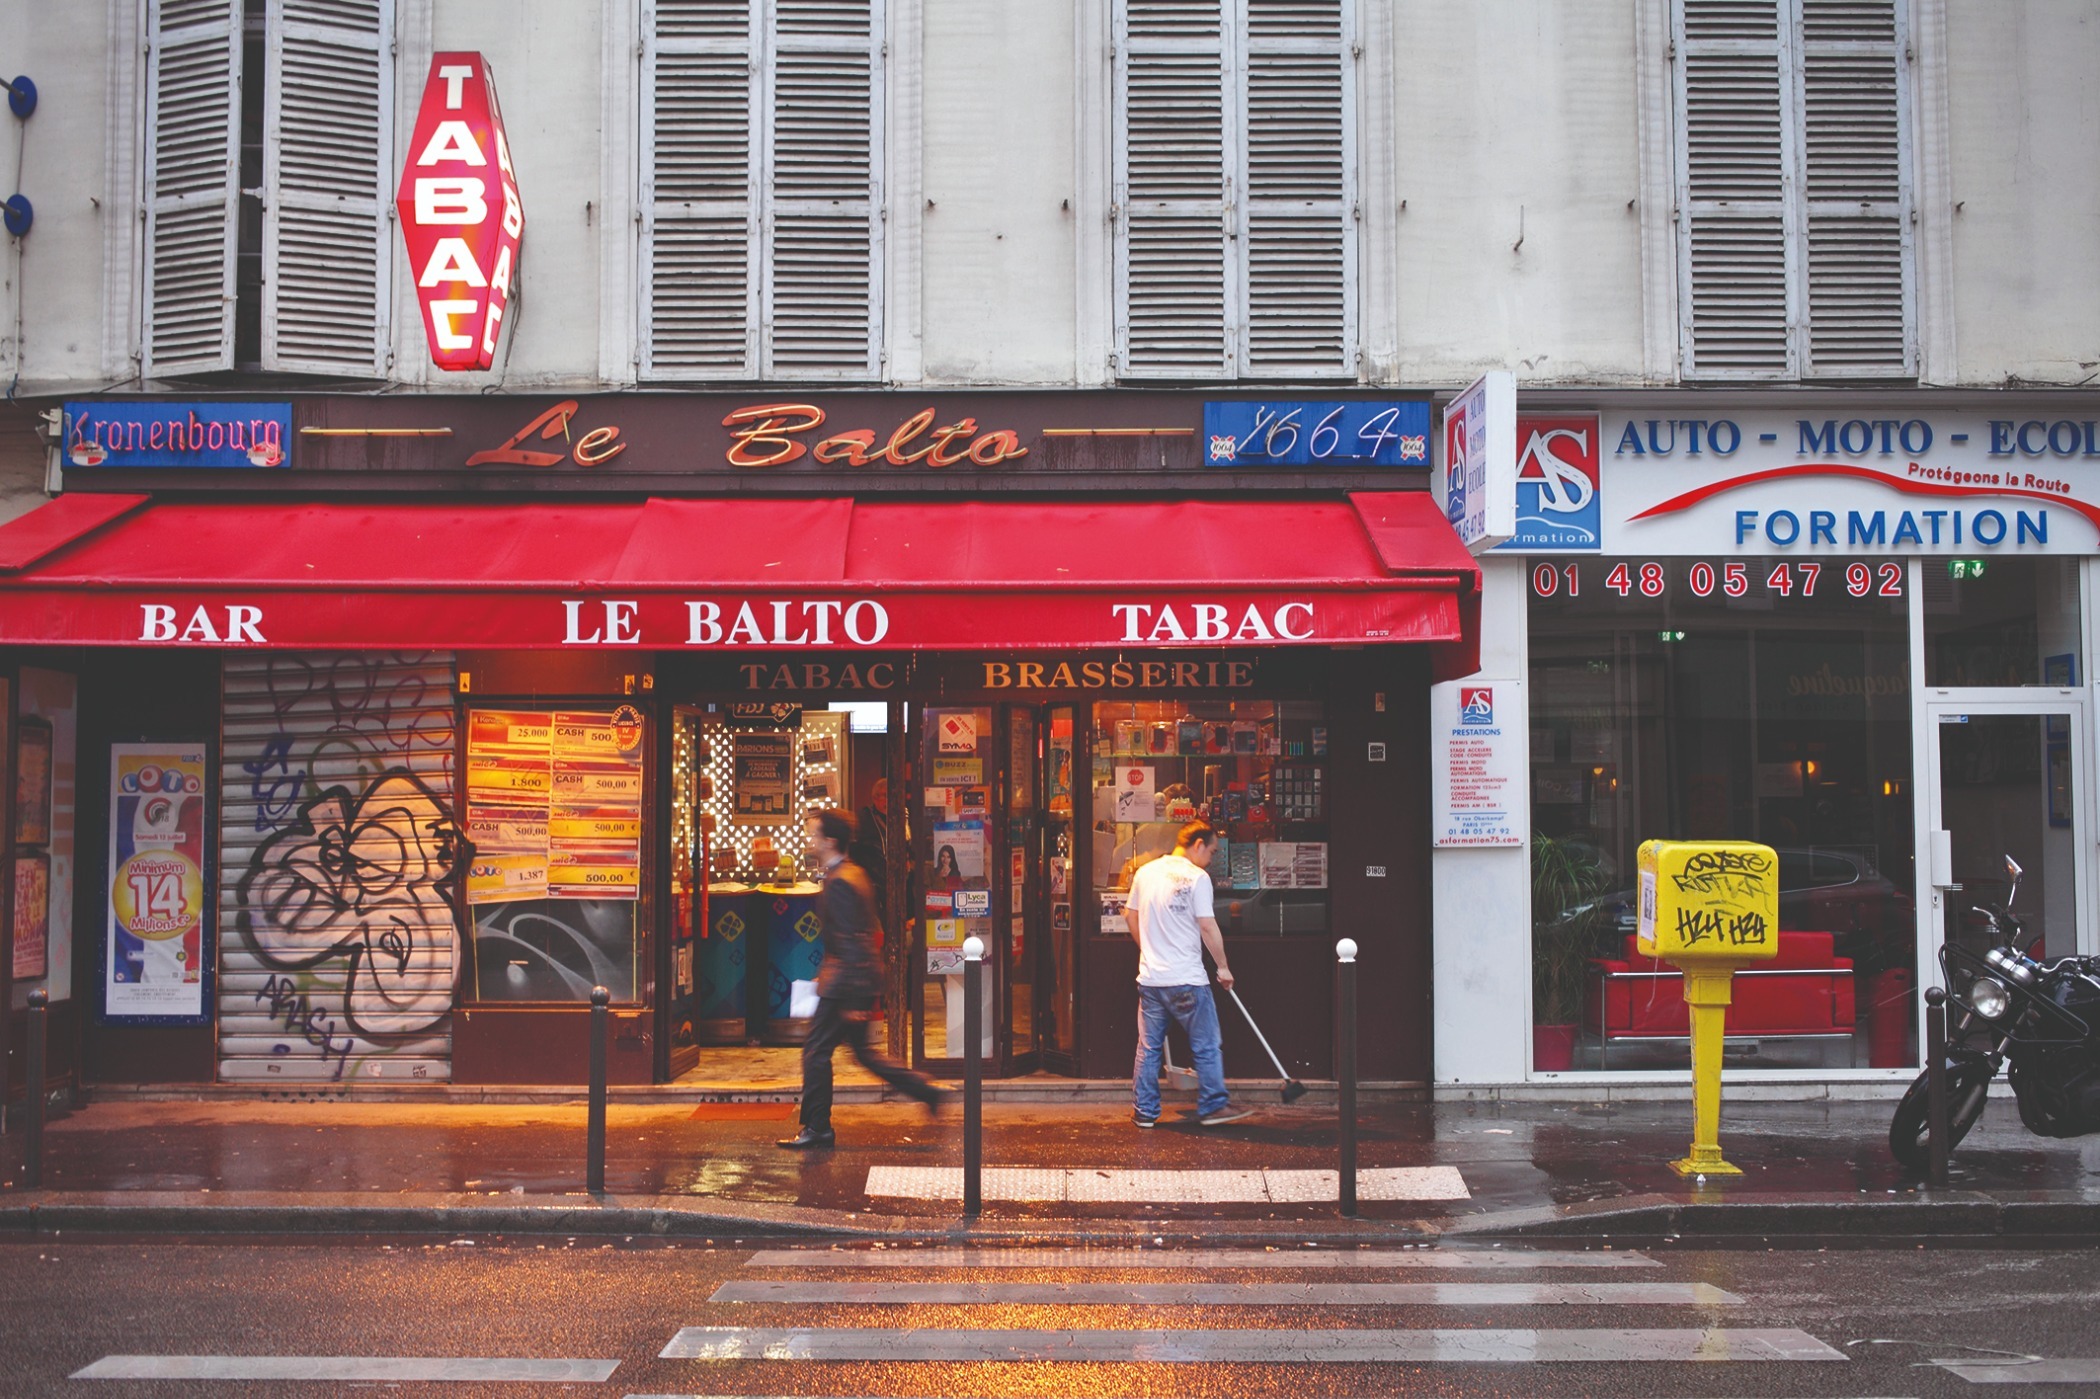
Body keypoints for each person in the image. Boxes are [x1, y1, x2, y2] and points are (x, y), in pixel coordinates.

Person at [779, 808, 948, 1149]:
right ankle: (926, 1090)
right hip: (848, 979)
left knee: (815, 1052)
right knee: (863, 1053)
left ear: (829, 841)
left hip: (845, 984)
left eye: (814, 834)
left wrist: (855, 998)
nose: (809, 841)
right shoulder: (850, 873)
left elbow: (854, 938)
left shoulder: (842, 881)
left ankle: (817, 1126)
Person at [1126, 820, 1249, 1127]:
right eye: (1212, 851)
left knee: (1148, 1047)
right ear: (1197, 845)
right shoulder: (1197, 878)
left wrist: (1149, 950)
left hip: (1152, 980)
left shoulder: (1146, 872)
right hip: (1188, 980)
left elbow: (1130, 916)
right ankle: (1213, 1106)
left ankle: (1144, 1113)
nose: (1212, 857)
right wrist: (1223, 967)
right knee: (1206, 1044)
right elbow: (1207, 925)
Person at [849, 777, 890, 909]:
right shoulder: (864, 817)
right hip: (873, 880)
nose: (887, 801)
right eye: (884, 796)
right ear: (875, 798)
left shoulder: (902, 815)